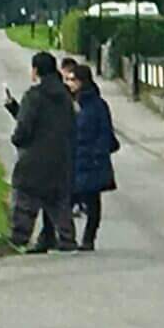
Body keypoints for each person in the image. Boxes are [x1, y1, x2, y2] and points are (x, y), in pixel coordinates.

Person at [7, 51, 78, 253]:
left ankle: (20, 237)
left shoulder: (34, 96)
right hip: (60, 156)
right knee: (58, 200)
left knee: (26, 198)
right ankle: (66, 238)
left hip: (34, 156)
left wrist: (17, 139)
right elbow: (71, 125)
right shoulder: (65, 97)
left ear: (36, 70)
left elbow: (25, 126)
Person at [64, 61, 118, 251]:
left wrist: (97, 154)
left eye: (72, 80)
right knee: (67, 200)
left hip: (91, 160)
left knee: (92, 200)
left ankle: (88, 238)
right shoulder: (69, 103)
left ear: (82, 81)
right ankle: (65, 236)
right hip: (72, 158)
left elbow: (105, 132)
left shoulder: (97, 105)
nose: (69, 83)